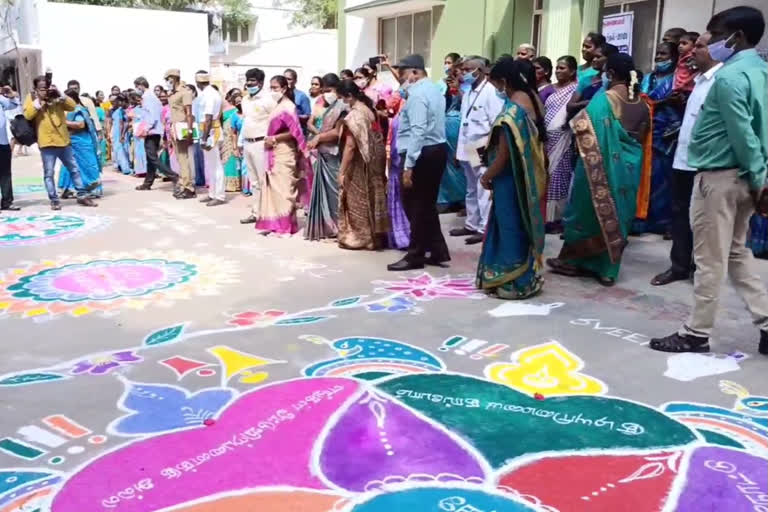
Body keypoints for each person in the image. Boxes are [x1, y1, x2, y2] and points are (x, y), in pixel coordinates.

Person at [651, 7, 768, 355]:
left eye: (716, 36)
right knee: (735, 253)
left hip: (720, 178)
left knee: (708, 258)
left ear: (738, 37)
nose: (711, 42)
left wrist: (761, 180)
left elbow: (743, 133)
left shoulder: (729, 78)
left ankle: (696, 332)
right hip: (744, 177)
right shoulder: (761, 72)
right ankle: (766, 322)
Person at [547, 53, 650, 286]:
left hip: (596, 168)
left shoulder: (603, 100)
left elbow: (582, 130)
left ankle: (573, 262)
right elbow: (641, 138)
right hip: (629, 169)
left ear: (611, 74)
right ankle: (607, 270)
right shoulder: (642, 104)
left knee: (585, 213)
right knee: (619, 215)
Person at [651, 32, 721, 287]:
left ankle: (701, 269)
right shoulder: (697, 80)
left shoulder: (720, 81)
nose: (690, 53)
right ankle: (679, 266)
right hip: (682, 158)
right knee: (679, 214)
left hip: (707, 163)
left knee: (705, 218)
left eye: (699, 47)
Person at [476, 56, 547, 299]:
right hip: (530, 176)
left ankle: (514, 281)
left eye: (495, 84)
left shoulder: (512, 111)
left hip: (510, 179)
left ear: (505, 81)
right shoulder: (534, 99)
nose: (496, 89)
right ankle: (529, 276)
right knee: (523, 223)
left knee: (510, 227)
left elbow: (504, 155)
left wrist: (487, 176)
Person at [387, 54, 449, 271]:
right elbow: (404, 89)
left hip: (421, 153)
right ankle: (438, 249)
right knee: (426, 205)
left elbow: (418, 131)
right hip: (435, 150)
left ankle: (415, 254)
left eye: (404, 73)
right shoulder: (433, 90)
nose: (402, 78)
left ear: (415, 72)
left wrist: (409, 165)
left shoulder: (418, 96)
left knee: (414, 206)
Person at [451, 56, 507, 246]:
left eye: (468, 70)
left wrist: (491, 151)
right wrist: (458, 152)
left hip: (481, 146)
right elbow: (464, 122)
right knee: (470, 187)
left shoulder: (491, 92)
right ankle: (471, 223)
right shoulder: (467, 91)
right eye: (463, 69)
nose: (464, 73)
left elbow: (496, 123)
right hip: (467, 145)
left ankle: (484, 227)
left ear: (481, 71)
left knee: (483, 188)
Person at [23, 76, 97, 210]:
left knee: (74, 169)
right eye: (42, 89)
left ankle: (82, 195)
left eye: (47, 88)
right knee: (49, 173)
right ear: (36, 89)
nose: (46, 91)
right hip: (47, 142)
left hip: (63, 140)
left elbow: (72, 106)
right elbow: (28, 115)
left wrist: (60, 94)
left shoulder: (56, 96)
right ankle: (54, 199)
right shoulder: (32, 98)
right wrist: (40, 101)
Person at [335, 80, 389, 250]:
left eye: (342, 98)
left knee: (356, 198)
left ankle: (360, 237)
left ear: (349, 96)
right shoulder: (368, 109)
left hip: (360, 162)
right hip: (375, 159)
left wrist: (342, 172)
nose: (342, 101)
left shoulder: (355, 116)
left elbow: (351, 146)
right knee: (374, 196)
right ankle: (376, 236)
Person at [635, 41, 680, 235]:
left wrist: (660, 103)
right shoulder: (648, 78)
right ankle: (642, 219)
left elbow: (678, 102)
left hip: (666, 136)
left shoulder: (678, 79)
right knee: (645, 177)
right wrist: (662, 101)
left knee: (664, 179)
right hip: (646, 133)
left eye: (664, 54)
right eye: (657, 54)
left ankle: (663, 222)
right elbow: (642, 101)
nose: (659, 58)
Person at [255, 75, 307, 236]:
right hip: (274, 151)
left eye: (276, 88)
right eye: (271, 88)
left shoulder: (288, 107)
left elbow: (294, 132)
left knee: (284, 190)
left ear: (284, 89)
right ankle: (275, 224)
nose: (273, 91)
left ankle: (285, 227)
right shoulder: (277, 105)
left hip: (284, 151)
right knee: (273, 190)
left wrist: (274, 138)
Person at [305, 73, 347, 240]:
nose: (326, 93)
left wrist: (319, 137)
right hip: (324, 153)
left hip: (335, 153)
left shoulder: (342, 106)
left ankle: (340, 227)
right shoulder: (328, 104)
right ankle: (329, 226)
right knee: (327, 193)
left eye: (329, 90)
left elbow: (338, 132)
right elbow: (313, 122)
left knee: (336, 192)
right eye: (324, 90)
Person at [238, 68, 278, 224]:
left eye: (253, 80)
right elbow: (246, 122)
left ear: (261, 82)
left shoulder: (268, 99)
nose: (249, 83)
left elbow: (276, 121)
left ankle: (269, 214)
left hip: (261, 143)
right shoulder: (245, 100)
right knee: (253, 181)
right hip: (248, 143)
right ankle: (256, 212)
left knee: (264, 180)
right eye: (247, 80)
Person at [544, 56, 579, 232]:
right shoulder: (552, 89)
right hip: (548, 137)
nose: (558, 71)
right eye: (557, 68)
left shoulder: (576, 88)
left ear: (572, 71)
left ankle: (558, 219)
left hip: (564, 137)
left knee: (559, 177)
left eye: (562, 68)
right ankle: (547, 218)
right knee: (547, 177)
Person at [133, 76, 179, 192]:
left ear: (141, 85)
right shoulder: (151, 97)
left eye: (137, 87)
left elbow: (152, 116)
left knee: (153, 158)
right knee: (150, 157)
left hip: (152, 130)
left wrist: (146, 128)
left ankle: (173, 176)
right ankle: (147, 183)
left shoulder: (148, 97)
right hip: (154, 130)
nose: (137, 89)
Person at [59, 88, 102, 198]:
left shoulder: (78, 109)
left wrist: (64, 122)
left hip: (81, 142)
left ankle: (91, 188)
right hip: (73, 142)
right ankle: (69, 188)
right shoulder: (72, 110)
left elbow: (80, 125)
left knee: (86, 165)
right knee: (70, 166)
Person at [437, 52, 466, 213]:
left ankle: (463, 199)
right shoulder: (441, 84)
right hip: (444, 124)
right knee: (445, 165)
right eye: (445, 62)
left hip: (458, 124)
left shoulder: (466, 85)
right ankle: (446, 199)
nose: (447, 66)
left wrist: (457, 88)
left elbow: (467, 103)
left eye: (450, 63)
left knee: (461, 162)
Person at [165, 69, 197, 199]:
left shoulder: (185, 92)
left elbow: (188, 112)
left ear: (174, 78)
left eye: (168, 79)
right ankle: (184, 184)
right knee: (179, 158)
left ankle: (188, 187)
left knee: (184, 158)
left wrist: (189, 131)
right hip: (174, 128)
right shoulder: (173, 93)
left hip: (182, 127)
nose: (167, 82)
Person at [195, 71, 225, 206]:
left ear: (197, 82)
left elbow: (208, 118)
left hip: (211, 131)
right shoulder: (208, 93)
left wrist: (204, 138)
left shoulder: (210, 95)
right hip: (206, 129)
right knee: (210, 165)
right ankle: (212, 192)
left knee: (216, 165)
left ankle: (219, 195)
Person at [568, 43, 618, 117]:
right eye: (593, 57)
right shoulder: (586, 80)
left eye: (598, 57)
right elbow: (569, 106)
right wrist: (585, 103)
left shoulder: (614, 82)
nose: (594, 60)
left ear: (609, 59)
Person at [0, 85, 20, 210]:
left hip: (2, 142)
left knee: (5, 173)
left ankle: (7, 201)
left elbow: (13, 105)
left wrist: (11, 94)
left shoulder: (1, 98)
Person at [222, 88, 243, 192]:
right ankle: (229, 184)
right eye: (234, 95)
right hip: (226, 137)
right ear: (229, 96)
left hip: (236, 136)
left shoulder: (239, 110)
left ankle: (238, 183)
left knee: (236, 158)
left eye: (238, 95)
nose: (236, 97)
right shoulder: (224, 107)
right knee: (227, 158)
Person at [110, 94, 132, 175]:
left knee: (122, 150)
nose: (119, 103)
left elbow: (123, 123)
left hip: (120, 132)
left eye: (120, 101)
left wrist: (122, 135)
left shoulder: (123, 111)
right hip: (116, 132)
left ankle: (126, 168)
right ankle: (123, 166)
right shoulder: (119, 110)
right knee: (119, 150)